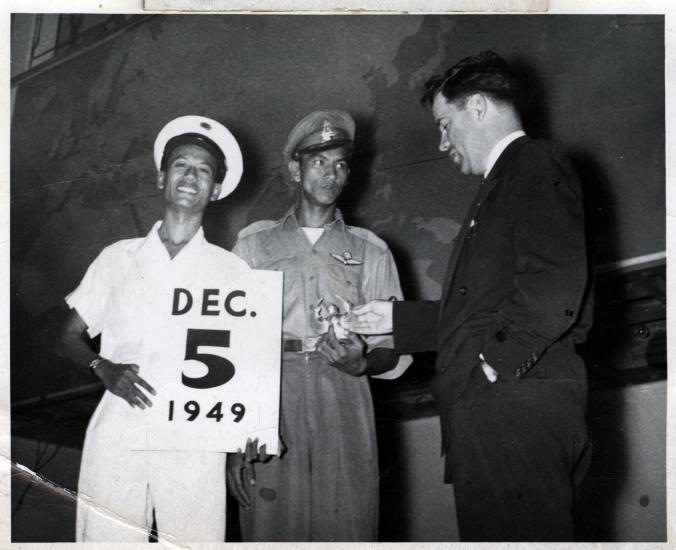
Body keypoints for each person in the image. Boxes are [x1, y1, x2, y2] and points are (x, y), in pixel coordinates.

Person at [351, 51, 592, 541]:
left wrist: (493, 366)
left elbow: (554, 285)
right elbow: (481, 306)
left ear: (477, 107)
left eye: (445, 124)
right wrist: (395, 321)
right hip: (500, 412)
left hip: (512, 408)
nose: (443, 143)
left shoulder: (532, 162)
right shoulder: (504, 181)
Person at [58, 115, 249, 542]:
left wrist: (244, 436)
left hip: (196, 436)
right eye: (181, 164)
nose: (190, 176)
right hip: (119, 427)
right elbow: (68, 336)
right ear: (162, 177)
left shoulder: (234, 271)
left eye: (204, 170)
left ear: (216, 189)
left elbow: (245, 371)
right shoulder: (117, 257)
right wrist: (102, 368)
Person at [227, 110, 412, 542]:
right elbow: (232, 349)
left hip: (343, 393)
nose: (331, 174)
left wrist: (362, 363)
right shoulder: (253, 244)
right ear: (295, 169)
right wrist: (234, 439)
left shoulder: (372, 251)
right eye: (319, 162)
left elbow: (394, 346)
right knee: (272, 528)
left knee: (347, 526)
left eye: (341, 164)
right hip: (270, 397)